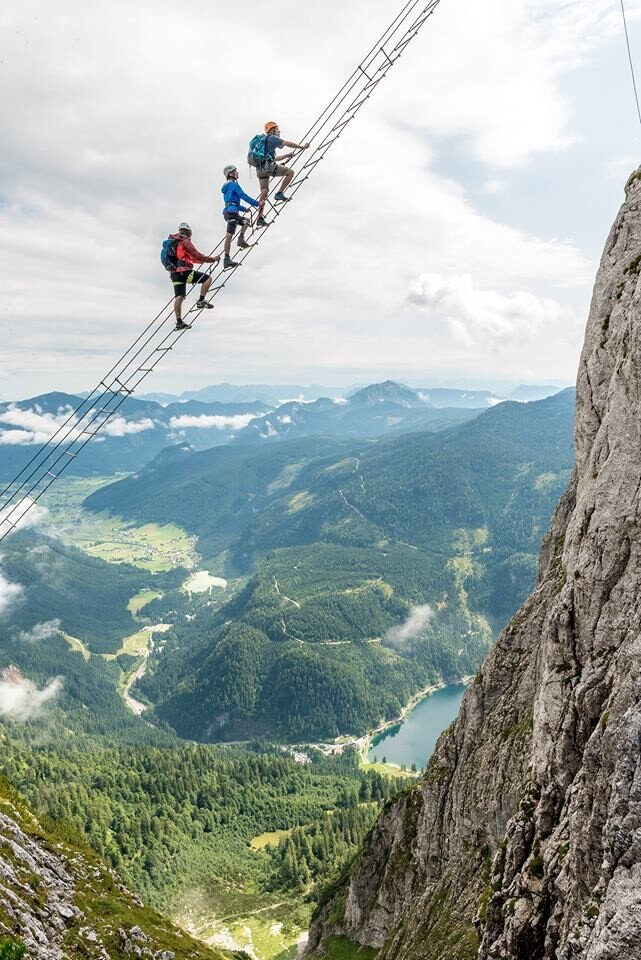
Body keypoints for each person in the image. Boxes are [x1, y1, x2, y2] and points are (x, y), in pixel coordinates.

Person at [254, 121, 310, 227]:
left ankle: (260, 217)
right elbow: (287, 143)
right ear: (273, 130)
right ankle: (279, 193)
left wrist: (286, 156)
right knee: (290, 172)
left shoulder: (266, 141)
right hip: (268, 167)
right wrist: (302, 147)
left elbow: (274, 158)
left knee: (264, 191)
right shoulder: (272, 138)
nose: (279, 131)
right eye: (278, 130)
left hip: (260, 169)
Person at [168, 223, 220, 330]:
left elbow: (193, 259)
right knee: (207, 279)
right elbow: (197, 255)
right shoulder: (185, 242)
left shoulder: (174, 243)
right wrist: (212, 259)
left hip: (174, 274)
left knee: (179, 296)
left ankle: (179, 322)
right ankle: (201, 300)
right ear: (188, 233)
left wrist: (208, 261)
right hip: (184, 272)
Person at [221, 165, 259, 269]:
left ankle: (240, 240)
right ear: (230, 174)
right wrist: (257, 203)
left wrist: (244, 209)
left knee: (246, 221)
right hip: (232, 212)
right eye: (235, 171)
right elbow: (243, 195)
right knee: (229, 235)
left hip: (229, 211)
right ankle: (226, 259)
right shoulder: (234, 185)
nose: (237, 173)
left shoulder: (227, 187)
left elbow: (232, 202)